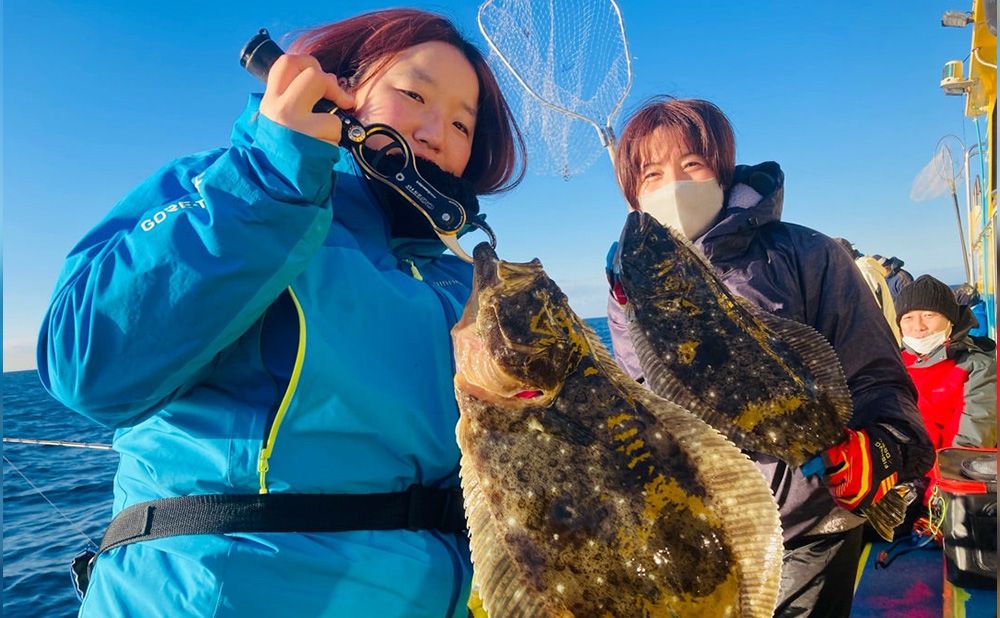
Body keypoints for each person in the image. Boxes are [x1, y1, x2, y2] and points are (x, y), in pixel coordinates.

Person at [37, 9, 524, 617]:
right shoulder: (224, 188)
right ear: (340, 89)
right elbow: (87, 365)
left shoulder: (463, 284)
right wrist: (268, 179)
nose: (434, 131)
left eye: (461, 123)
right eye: (413, 94)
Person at [605, 97, 933, 617]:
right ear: (633, 196)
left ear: (723, 170)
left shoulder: (807, 254)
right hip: (714, 535)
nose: (674, 185)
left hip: (809, 522)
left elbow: (876, 376)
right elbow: (649, 410)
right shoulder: (627, 292)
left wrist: (886, 443)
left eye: (692, 164)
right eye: (651, 174)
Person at [897, 275, 997, 452]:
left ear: (950, 319)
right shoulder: (892, 361)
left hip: (944, 472)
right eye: (908, 317)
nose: (918, 326)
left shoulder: (977, 366)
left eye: (929, 315)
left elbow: (972, 440)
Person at [833, 237, 900, 344]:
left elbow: (868, 311)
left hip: (881, 342)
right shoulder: (861, 269)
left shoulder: (863, 272)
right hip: (883, 339)